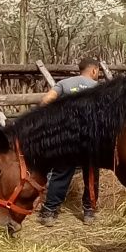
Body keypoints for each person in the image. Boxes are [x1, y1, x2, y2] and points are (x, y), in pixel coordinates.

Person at [38, 56, 101, 225]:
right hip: (90, 138)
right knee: (91, 175)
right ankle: (89, 213)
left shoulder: (65, 84)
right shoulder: (99, 88)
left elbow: (45, 101)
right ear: (94, 70)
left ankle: (49, 212)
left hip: (67, 137)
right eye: (98, 72)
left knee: (61, 173)